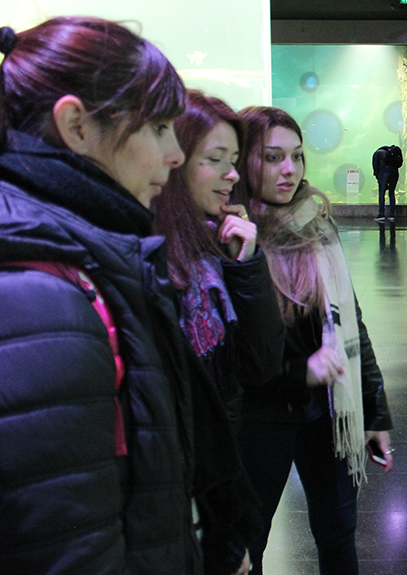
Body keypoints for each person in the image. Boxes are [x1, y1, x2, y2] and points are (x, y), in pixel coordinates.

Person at [0, 18, 252, 575]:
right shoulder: (42, 292)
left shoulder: (81, 251)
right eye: (158, 128)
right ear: (76, 125)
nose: (175, 154)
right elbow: (68, 545)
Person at [235, 106, 394, 574]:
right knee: (246, 544)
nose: (289, 169)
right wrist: (301, 371)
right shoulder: (231, 234)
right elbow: (235, 350)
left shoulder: (317, 223)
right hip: (260, 414)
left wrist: (373, 410)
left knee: (338, 533)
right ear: (244, 159)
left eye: (297, 156)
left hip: (327, 409)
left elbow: (351, 320)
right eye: (272, 157)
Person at [152, 90, 288, 574]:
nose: (232, 175)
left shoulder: (215, 245)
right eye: (215, 160)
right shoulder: (148, 257)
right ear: (173, 160)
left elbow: (260, 364)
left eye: (233, 162)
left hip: (216, 479)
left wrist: (246, 266)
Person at [372, 144, 402, 222]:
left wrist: (379, 178)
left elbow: (375, 167)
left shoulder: (377, 153)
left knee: (382, 193)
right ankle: (392, 214)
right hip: (395, 172)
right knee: (391, 193)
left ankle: (381, 214)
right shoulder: (392, 154)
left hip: (384, 172)